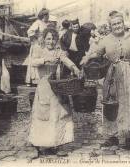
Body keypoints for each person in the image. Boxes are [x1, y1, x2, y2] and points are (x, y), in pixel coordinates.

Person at [81, 11, 130, 150]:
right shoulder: (106, 39)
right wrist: (87, 57)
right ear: (110, 26)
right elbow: (97, 53)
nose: (117, 26)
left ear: (123, 23)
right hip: (111, 75)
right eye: (114, 24)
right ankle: (112, 136)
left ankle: (129, 137)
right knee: (111, 104)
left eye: (119, 23)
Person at [28, 28, 81, 156]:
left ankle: (58, 144)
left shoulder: (59, 52)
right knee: (42, 116)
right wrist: (44, 60)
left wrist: (75, 68)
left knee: (58, 115)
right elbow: (32, 62)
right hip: (44, 87)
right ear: (44, 39)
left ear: (56, 39)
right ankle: (37, 146)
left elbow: (66, 61)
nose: (50, 42)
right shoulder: (39, 50)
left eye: (53, 39)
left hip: (57, 87)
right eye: (48, 39)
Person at [25, 8, 50, 86]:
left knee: (42, 61)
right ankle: (32, 80)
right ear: (44, 15)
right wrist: (37, 37)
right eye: (47, 15)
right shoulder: (37, 23)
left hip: (43, 45)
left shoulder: (46, 24)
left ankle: (41, 79)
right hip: (37, 45)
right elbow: (30, 31)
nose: (48, 16)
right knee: (35, 61)